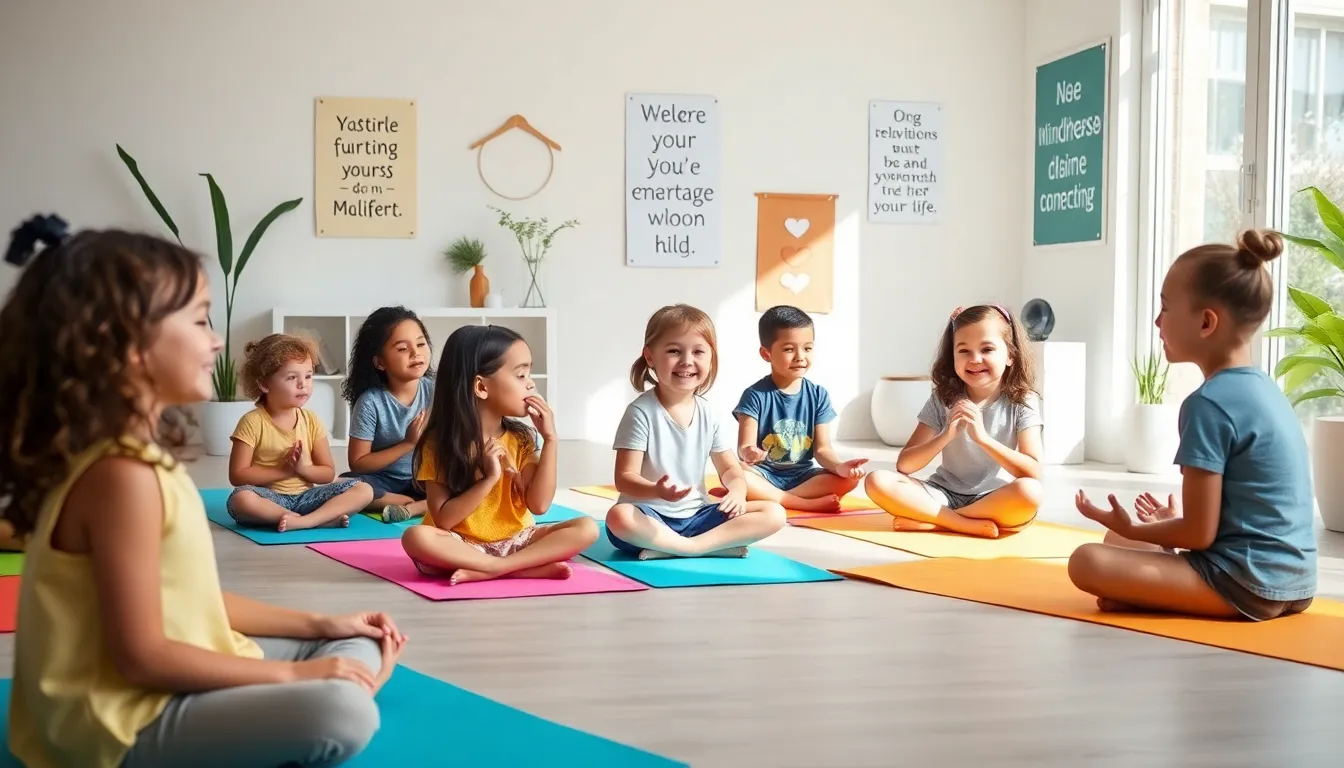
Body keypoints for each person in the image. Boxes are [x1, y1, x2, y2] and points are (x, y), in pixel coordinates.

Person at [0, 229, 405, 768]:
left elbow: (193, 603)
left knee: (358, 645)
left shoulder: (137, 460)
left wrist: (324, 626)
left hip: (163, 673)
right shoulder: (119, 477)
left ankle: (320, 683)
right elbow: (141, 657)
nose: (216, 342)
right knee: (342, 713)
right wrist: (293, 675)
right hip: (118, 723)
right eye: (199, 320)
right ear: (125, 342)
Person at [1069, 229, 1317, 620]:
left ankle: (1151, 595)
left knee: (1086, 561)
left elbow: (1198, 536)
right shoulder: (1268, 390)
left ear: (1206, 322)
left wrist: (1134, 526)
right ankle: (1150, 591)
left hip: (1243, 585)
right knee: (1114, 539)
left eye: (1165, 308)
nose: (1156, 320)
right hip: (1298, 583)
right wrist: (1166, 525)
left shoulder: (1208, 404)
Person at [400, 325, 598, 585]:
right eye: (520, 374)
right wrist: (489, 478)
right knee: (416, 537)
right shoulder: (438, 444)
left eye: (529, 373)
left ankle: (497, 567)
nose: (531, 383)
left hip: (517, 540)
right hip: (461, 545)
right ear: (481, 386)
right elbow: (444, 520)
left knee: (587, 527)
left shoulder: (523, 438)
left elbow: (538, 505)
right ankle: (516, 568)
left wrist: (551, 439)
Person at [605, 304, 787, 559]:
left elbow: (730, 469)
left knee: (774, 513)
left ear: (711, 358)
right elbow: (624, 477)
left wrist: (737, 491)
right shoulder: (640, 412)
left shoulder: (709, 412)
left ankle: (684, 548)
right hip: (650, 516)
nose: (687, 361)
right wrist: (657, 491)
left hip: (697, 516)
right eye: (674, 351)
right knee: (619, 516)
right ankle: (702, 547)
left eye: (698, 351)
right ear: (649, 357)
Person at [864, 304, 1044, 538]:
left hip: (992, 498)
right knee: (876, 480)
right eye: (964, 350)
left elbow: (1032, 470)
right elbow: (906, 465)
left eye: (987, 349)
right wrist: (947, 433)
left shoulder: (1023, 400)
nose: (975, 359)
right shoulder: (943, 398)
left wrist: (983, 439)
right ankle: (962, 524)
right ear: (953, 356)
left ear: (1010, 355)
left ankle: (936, 521)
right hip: (941, 494)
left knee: (1030, 492)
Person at [227, 333, 374, 532]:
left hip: (307, 498)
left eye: (308, 376)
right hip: (270, 500)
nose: (303, 384)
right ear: (264, 384)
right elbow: (237, 475)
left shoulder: (311, 421)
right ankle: (313, 519)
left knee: (363, 489)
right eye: (291, 377)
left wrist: (303, 469)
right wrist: (283, 471)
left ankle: (306, 521)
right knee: (240, 498)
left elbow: (327, 473)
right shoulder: (252, 422)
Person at [731, 305, 868, 513]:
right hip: (764, 475)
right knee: (735, 472)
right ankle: (802, 503)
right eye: (788, 349)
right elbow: (744, 447)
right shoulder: (754, 395)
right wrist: (750, 454)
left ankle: (776, 498)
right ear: (766, 354)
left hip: (803, 477)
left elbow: (822, 450)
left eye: (807, 348)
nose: (800, 357)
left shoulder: (818, 395)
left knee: (848, 481)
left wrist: (840, 467)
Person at [341, 306, 435, 523]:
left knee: (470, 479)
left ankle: (414, 506)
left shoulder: (438, 390)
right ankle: (416, 503)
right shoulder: (371, 402)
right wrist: (408, 443)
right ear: (379, 362)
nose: (416, 353)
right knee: (344, 484)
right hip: (383, 481)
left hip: (428, 479)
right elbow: (358, 462)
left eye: (421, 344)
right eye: (403, 349)